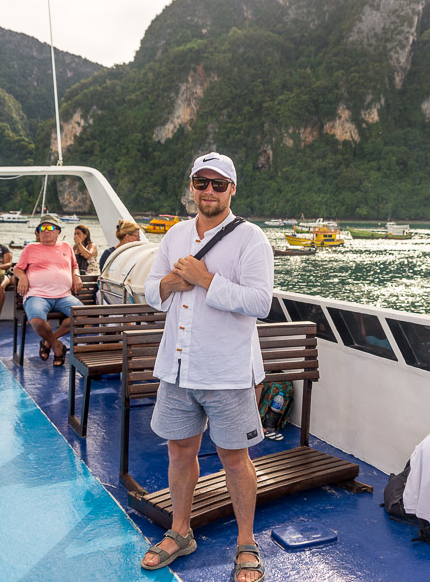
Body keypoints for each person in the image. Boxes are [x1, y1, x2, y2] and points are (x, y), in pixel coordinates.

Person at [141, 152, 273, 582]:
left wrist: (205, 280)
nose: (209, 192)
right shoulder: (175, 235)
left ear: (233, 189)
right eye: (202, 183)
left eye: (219, 184)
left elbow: (261, 302)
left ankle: (246, 544)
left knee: (235, 459)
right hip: (177, 368)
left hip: (228, 371)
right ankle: (180, 532)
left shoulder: (251, 239)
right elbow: (150, 292)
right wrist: (172, 283)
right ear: (192, 186)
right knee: (180, 451)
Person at [13, 214, 83, 367]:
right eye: (41, 228)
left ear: (58, 231)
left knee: (83, 318)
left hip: (64, 295)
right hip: (37, 295)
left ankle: (49, 342)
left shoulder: (66, 247)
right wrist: (22, 277)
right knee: (37, 321)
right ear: (38, 232)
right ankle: (57, 345)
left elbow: (74, 266)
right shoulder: (30, 248)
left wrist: (76, 276)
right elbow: (18, 268)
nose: (45, 231)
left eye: (49, 227)